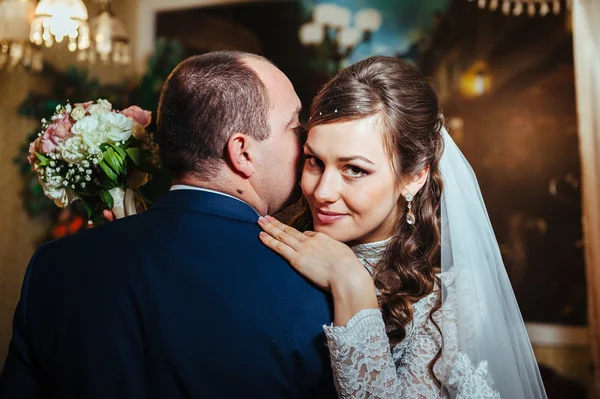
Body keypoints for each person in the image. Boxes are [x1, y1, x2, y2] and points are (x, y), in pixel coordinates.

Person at [0, 51, 336, 399]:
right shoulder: (310, 288)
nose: (306, 139)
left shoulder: (53, 266)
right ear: (242, 152)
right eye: (294, 125)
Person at [259, 56, 547, 398]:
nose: (322, 192)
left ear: (414, 176)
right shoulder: (272, 247)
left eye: (354, 169)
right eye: (315, 161)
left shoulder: (447, 307)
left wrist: (351, 282)